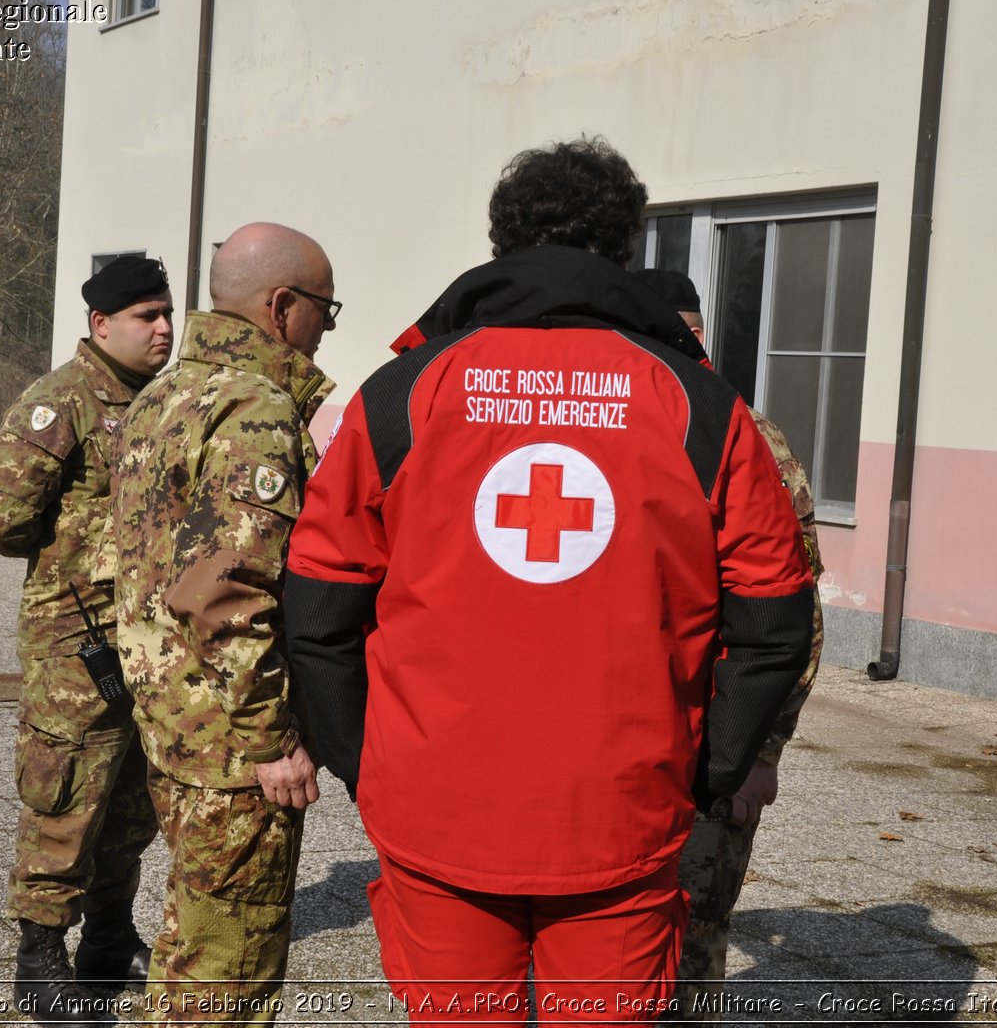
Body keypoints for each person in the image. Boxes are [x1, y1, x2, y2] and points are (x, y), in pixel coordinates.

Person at [284, 138, 815, 1023]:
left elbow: (318, 606)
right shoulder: (702, 406)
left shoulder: (403, 393)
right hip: (625, 815)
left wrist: (364, 760)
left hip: (434, 813)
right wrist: (705, 773)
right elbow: (773, 622)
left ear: (503, 244)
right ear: (625, 249)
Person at [109, 223, 336, 1025]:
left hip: (174, 724)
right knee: (226, 979)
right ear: (282, 307)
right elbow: (227, 594)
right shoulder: (257, 407)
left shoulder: (161, 395)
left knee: (189, 948)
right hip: (234, 747)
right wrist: (273, 740)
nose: (325, 329)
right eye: (325, 310)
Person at [0, 255, 173, 1025]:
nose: (162, 329)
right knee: (65, 793)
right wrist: (108, 545)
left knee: (132, 797)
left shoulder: (160, 399)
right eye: (145, 317)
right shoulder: (60, 402)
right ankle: (39, 956)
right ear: (101, 324)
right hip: (74, 641)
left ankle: (110, 937)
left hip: (148, 637)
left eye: (166, 314)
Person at [635, 266, 827, 1020]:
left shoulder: (739, 432)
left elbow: (794, 615)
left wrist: (758, 753)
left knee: (689, 938)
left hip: (712, 745)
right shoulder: (618, 417)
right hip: (625, 742)